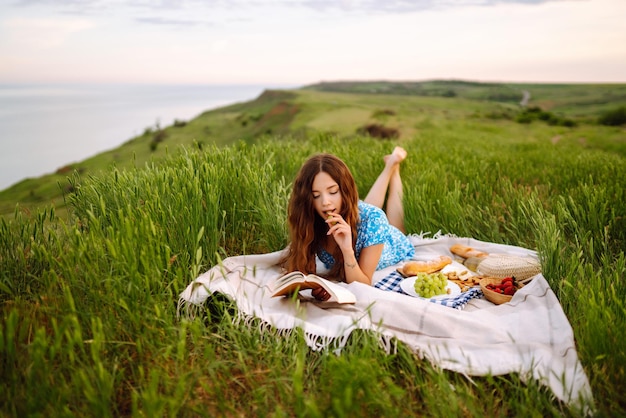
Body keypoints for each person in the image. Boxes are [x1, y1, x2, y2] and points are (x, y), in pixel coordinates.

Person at [281, 147, 415, 300]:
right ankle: (391, 164)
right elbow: (305, 272)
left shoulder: (374, 220)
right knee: (365, 209)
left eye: (333, 192)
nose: (325, 202)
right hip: (356, 215)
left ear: (345, 190)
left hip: (392, 241)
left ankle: (393, 166)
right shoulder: (312, 219)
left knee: (391, 222)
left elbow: (364, 284)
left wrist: (347, 250)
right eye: (316, 195)